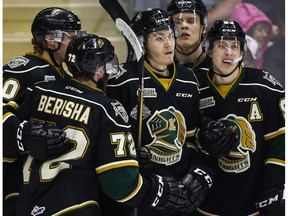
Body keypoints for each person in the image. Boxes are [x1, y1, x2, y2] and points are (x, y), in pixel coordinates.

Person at [6, 33, 212, 215]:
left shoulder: (39, 91)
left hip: (26, 202)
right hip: (76, 207)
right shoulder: (107, 108)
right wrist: (160, 191)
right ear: (99, 70)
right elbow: (120, 185)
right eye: (108, 64)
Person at [105, 8, 220, 216]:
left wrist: (194, 175)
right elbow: (109, 140)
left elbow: (191, 139)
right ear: (141, 42)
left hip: (178, 188)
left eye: (170, 36)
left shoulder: (188, 80)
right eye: (159, 38)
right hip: (143, 190)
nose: (169, 44)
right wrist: (132, 158)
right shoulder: (122, 81)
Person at [193, 20, 285, 215]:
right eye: (222, 45)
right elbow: (187, 140)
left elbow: (280, 141)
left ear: (243, 53)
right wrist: (202, 141)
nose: (229, 52)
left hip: (253, 203)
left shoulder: (265, 87)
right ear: (209, 50)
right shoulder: (194, 87)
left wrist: (273, 189)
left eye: (235, 46)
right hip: (208, 204)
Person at [2, 7, 83, 215]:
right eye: (71, 37)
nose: (76, 42)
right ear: (50, 39)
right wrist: (24, 133)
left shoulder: (65, 75)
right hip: (12, 178)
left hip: (45, 181)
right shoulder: (23, 69)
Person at [167, 0, 212, 71]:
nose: (184, 26)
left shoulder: (216, 68)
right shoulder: (159, 67)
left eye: (191, 21)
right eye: (178, 22)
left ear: (203, 29)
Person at [230, 2, 273, 69]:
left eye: (266, 31)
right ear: (246, 31)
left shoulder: (267, 57)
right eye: (260, 29)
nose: (265, 35)